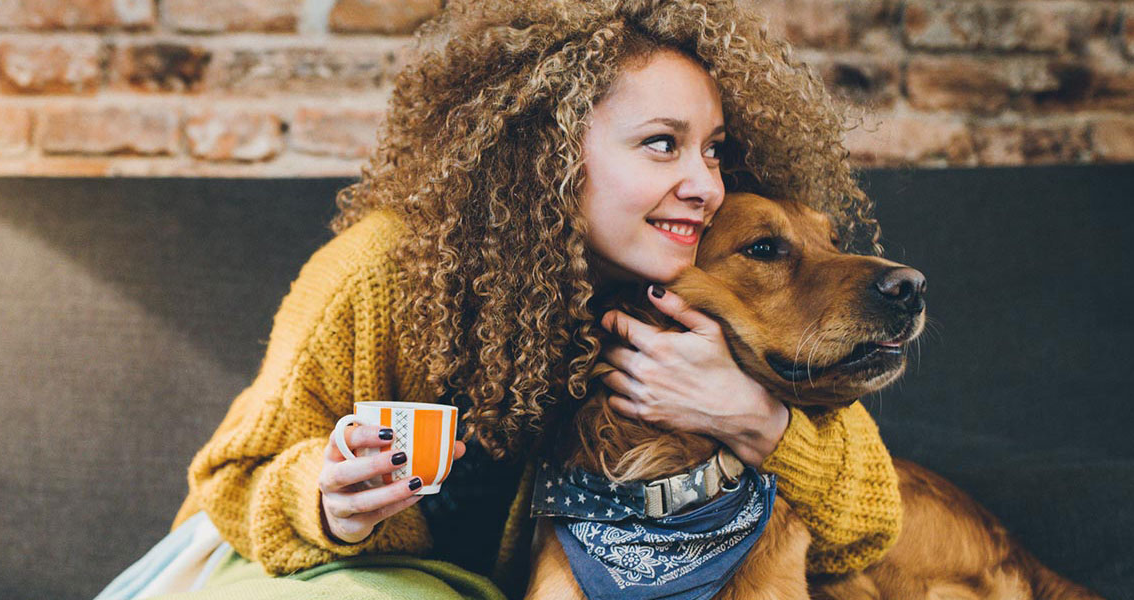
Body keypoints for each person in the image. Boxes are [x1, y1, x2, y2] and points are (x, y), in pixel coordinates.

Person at [102, 1, 901, 598]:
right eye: (662, 143)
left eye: (714, 150)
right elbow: (231, 475)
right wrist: (326, 497)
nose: (704, 184)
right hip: (307, 571)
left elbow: (867, 526)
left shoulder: (690, 291)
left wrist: (755, 420)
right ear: (545, 151)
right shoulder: (381, 268)